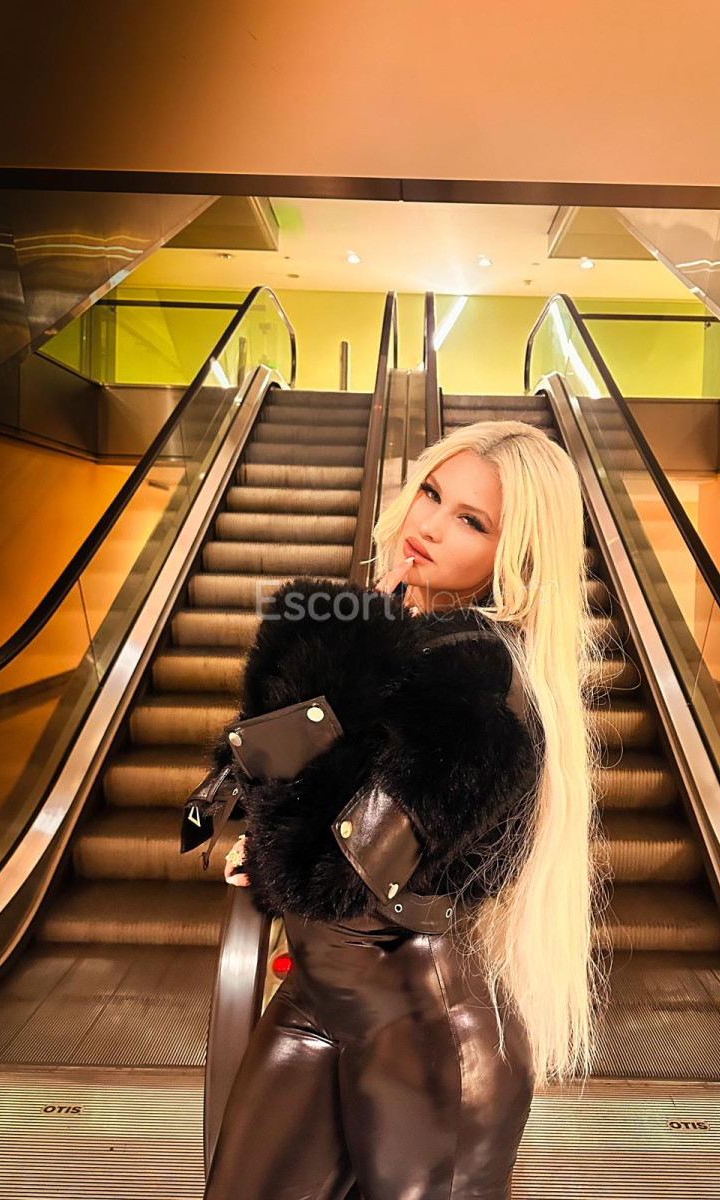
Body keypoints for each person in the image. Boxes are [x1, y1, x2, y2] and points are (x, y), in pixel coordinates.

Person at [202, 419, 610, 1200]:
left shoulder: (477, 679)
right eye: (431, 492)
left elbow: (324, 870)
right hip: (320, 1000)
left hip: (428, 1038)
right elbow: (261, 771)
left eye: (472, 521)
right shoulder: (402, 644)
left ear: (515, 558)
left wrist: (334, 655)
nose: (429, 524)